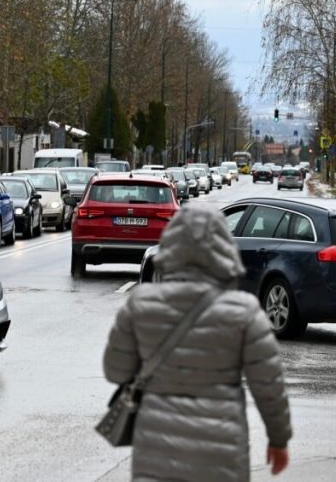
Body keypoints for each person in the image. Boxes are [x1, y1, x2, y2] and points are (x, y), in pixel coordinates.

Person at [103, 202, 292, 481]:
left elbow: (115, 370)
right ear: (224, 249)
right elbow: (268, 385)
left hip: (157, 449)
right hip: (222, 452)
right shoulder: (244, 311)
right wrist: (279, 439)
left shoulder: (141, 304)